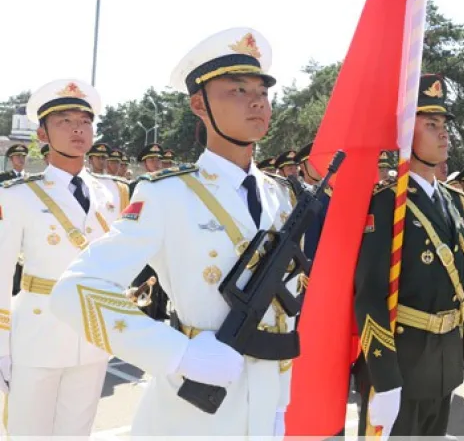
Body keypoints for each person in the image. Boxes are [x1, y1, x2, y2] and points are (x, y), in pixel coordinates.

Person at [49, 28, 295, 436]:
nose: (256, 101)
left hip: (267, 398)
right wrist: (176, 352)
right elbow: (74, 288)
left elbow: (283, 311)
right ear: (199, 105)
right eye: (236, 89)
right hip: (193, 408)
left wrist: (280, 401)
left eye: (262, 91)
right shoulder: (168, 194)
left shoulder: (281, 197)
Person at [0, 79, 122, 436]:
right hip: (37, 333)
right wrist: (1, 347)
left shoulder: (112, 192)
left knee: (76, 432)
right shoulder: (17, 196)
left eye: (84, 121)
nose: (77, 130)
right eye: (64, 122)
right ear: (42, 133)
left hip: (93, 333)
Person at [354, 74, 464, 437]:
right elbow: (369, 295)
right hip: (402, 361)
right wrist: (384, 377)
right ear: (406, 135)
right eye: (431, 124)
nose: (443, 133)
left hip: (444, 362)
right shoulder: (389, 202)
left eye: (444, 124)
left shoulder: (455, 203)